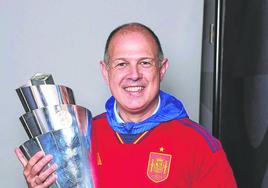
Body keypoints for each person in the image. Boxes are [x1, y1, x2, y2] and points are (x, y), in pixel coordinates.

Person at [15, 22, 237, 188]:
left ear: (162, 69)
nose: (134, 75)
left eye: (145, 63)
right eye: (122, 64)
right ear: (105, 71)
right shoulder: (81, 136)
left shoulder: (199, 144)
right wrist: (43, 185)